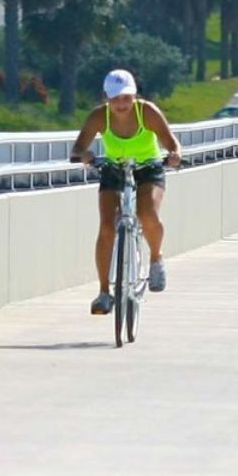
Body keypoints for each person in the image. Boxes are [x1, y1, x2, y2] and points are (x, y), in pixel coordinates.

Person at [71, 69, 182, 315]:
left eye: (126, 98)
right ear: (105, 99)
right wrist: (84, 155)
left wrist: (174, 155)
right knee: (107, 226)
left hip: (149, 166)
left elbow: (170, 142)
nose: (121, 104)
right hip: (114, 167)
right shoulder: (99, 117)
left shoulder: (147, 112)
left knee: (148, 214)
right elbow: (78, 147)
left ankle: (156, 258)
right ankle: (103, 292)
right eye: (115, 99)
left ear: (134, 95)